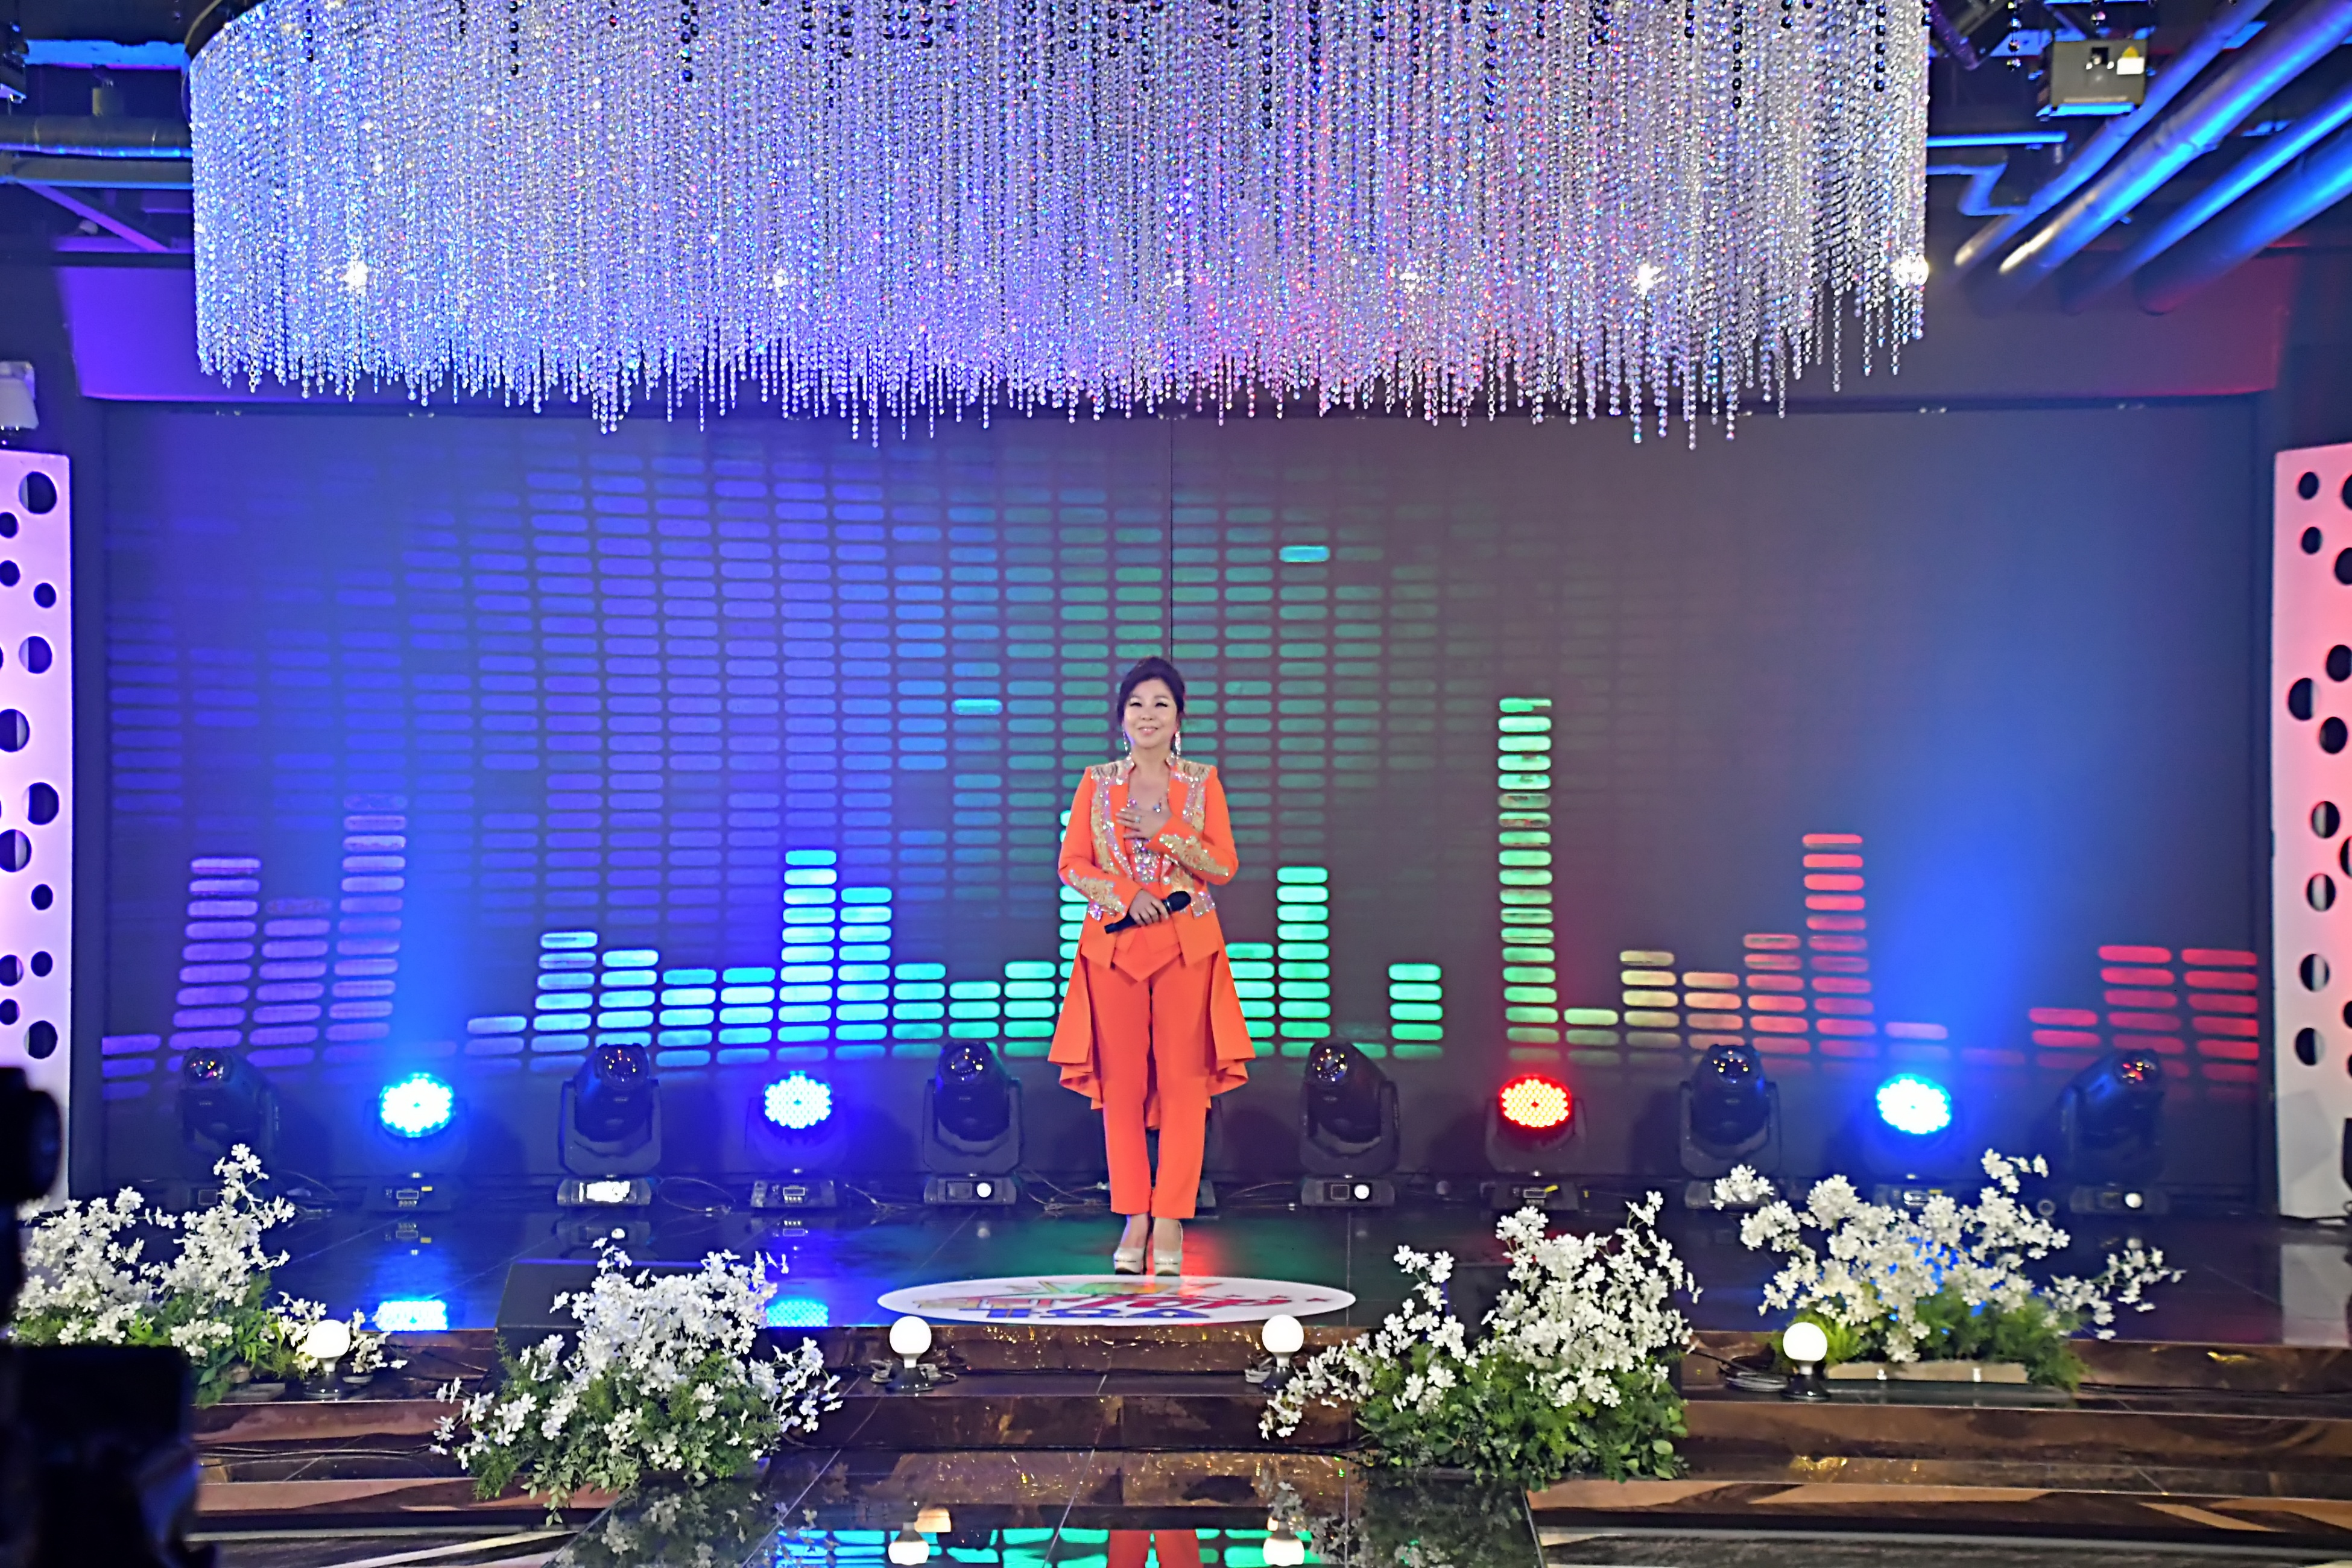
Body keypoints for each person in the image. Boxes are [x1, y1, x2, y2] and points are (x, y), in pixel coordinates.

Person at [1050, 657, 1253, 1274]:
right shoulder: (1097, 783)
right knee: (1122, 1089)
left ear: (1179, 718)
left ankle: (1170, 1217)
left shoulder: (1202, 782)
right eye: (1137, 704)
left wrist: (1167, 829)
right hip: (1114, 950)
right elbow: (1072, 864)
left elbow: (1223, 866)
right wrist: (1125, 894)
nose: (1148, 715)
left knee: (1185, 1085)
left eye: (1161, 703)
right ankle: (1134, 1214)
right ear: (1121, 718)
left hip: (1186, 949)